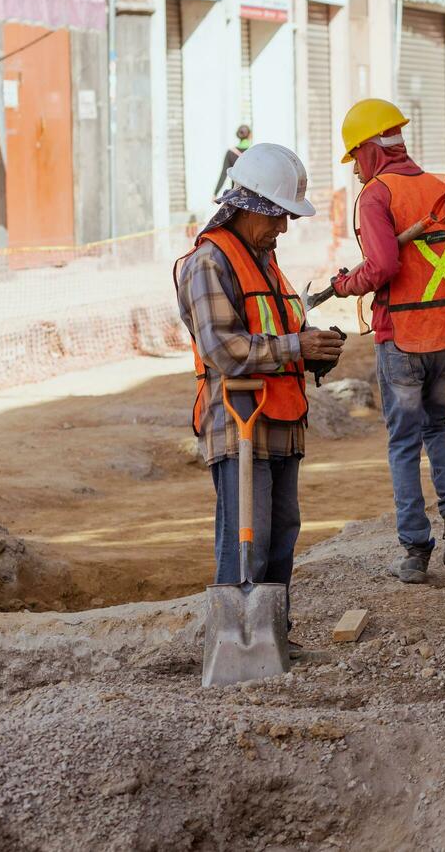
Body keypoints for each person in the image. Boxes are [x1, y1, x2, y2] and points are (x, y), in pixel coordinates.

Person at [175, 143, 347, 657]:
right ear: (247, 207)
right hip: (238, 420)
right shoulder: (208, 262)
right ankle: (236, 647)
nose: (284, 229)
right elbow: (223, 349)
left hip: (281, 419)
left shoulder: (265, 263)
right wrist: (297, 345)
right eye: (278, 217)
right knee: (245, 538)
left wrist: (315, 350)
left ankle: (271, 639)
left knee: (281, 536)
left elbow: (278, 331)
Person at [326, 98, 445, 585]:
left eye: (355, 159)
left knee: (403, 442)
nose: (356, 173)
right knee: (438, 428)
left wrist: (343, 285)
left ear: (369, 151)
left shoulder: (377, 196)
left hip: (402, 337)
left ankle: (415, 550)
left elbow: (381, 268)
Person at [213, 124, 253, 195]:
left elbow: (223, 174)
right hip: (251, 194)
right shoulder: (253, 152)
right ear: (250, 135)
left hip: (235, 193)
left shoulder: (230, 153)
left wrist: (215, 193)